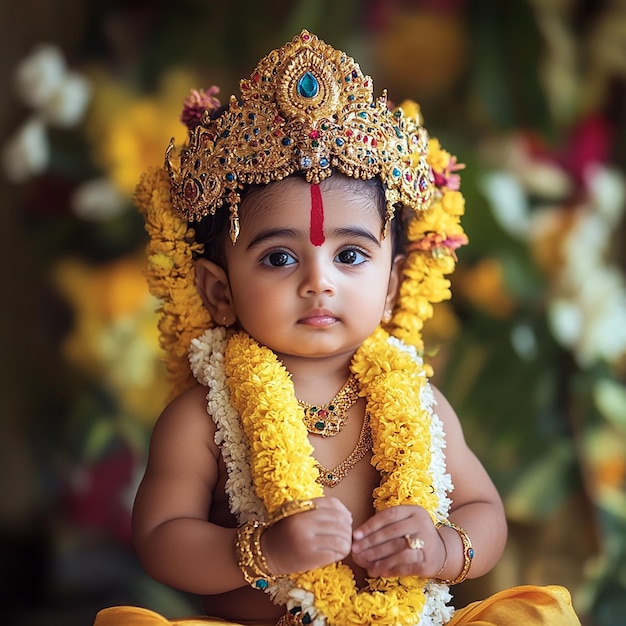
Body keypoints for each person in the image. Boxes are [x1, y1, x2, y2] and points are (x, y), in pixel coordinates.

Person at [94, 31, 581, 626]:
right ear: (219, 290)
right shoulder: (201, 417)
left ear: (393, 287)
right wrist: (263, 550)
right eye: (279, 258)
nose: (318, 282)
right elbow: (162, 541)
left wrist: (442, 547)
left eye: (350, 256)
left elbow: (486, 513)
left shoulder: (420, 403)